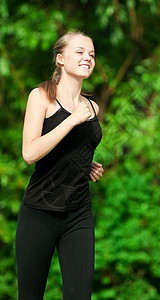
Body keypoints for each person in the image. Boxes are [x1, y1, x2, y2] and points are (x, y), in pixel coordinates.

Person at [15, 30, 104, 300]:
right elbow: (30, 152)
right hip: (39, 212)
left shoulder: (92, 108)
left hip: (78, 213)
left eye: (91, 54)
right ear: (60, 59)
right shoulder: (41, 96)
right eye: (79, 52)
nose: (87, 58)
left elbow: (69, 150)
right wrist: (72, 119)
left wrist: (84, 166)